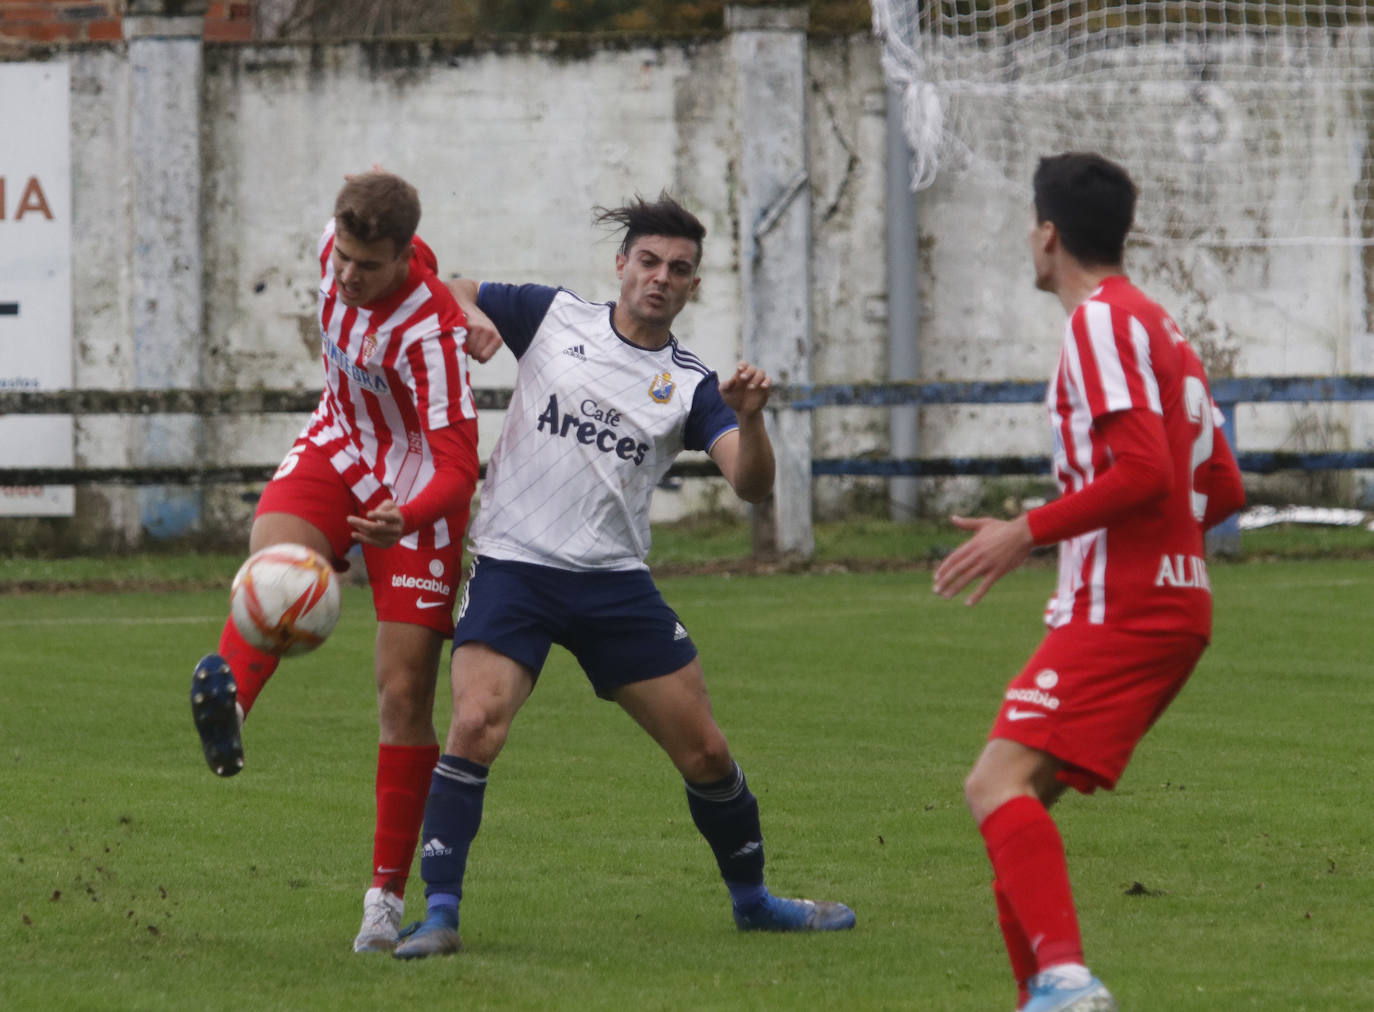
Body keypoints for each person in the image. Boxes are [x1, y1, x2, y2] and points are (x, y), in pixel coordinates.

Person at [388, 192, 855, 959]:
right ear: (622, 264)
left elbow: (752, 485)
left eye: (679, 269)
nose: (661, 278)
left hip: (612, 583)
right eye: (648, 261)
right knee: (475, 723)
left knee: (705, 753)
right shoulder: (551, 316)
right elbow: (459, 287)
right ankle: (439, 914)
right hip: (515, 566)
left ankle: (755, 901)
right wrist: (467, 315)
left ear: (693, 284)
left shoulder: (692, 383)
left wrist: (753, 419)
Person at [932, 153, 1246, 1012]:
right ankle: (1042, 993)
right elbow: (1220, 486)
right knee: (1016, 797)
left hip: (1127, 605)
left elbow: (1143, 470)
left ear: (1047, 234)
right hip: (1172, 603)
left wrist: (1024, 531)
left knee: (993, 786)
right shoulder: (1161, 325)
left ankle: (1066, 984)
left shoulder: (1099, 323)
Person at [188, 170, 482, 954]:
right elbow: (414, 245)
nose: (348, 275)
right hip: (339, 442)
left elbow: (459, 465)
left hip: (416, 493)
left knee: (402, 694)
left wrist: (404, 517)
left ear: (402, 262)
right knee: (273, 563)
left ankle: (384, 899)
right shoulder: (337, 245)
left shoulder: (432, 334)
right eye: (343, 257)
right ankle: (231, 706)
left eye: (367, 266)